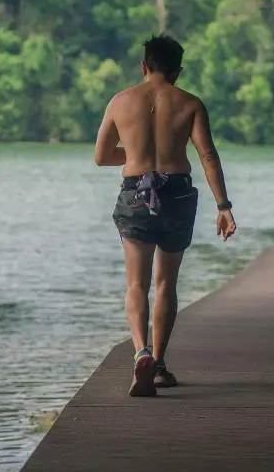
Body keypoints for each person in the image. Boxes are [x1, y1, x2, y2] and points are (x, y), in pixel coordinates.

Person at [94, 33, 236, 397]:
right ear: (177, 70)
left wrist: (137, 160)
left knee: (136, 284)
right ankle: (157, 365)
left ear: (144, 66)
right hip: (177, 193)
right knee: (165, 283)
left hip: (135, 194)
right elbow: (207, 156)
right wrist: (224, 207)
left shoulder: (120, 101)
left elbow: (101, 156)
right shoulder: (190, 103)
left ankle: (140, 350)